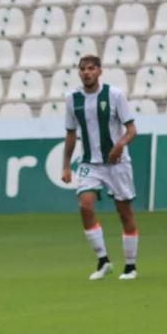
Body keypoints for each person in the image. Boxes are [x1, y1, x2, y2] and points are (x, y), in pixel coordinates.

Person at [61, 55, 140, 280]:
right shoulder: (72, 98)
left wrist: (119, 146)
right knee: (85, 206)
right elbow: (70, 133)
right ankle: (103, 260)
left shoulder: (114, 95)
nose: (86, 73)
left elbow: (132, 129)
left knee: (124, 213)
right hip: (89, 163)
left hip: (117, 163)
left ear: (99, 71)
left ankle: (130, 265)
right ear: (79, 73)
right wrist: (66, 165)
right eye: (83, 69)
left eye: (91, 69)